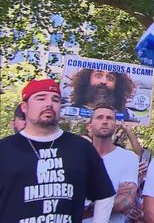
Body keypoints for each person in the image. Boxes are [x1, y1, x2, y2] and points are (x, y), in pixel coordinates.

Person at [0, 78, 115, 222]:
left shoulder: (81, 148)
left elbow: (104, 194)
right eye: (40, 98)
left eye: (55, 99)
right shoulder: (5, 149)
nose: (49, 104)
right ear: (24, 107)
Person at [83, 103, 139, 223]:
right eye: (99, 117)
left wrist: (80, 210)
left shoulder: (128, 158)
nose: (104, 121)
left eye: (109, 118)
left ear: (115, 126)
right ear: (89, 127)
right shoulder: (77, 157)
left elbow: (125, 202)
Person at [70, 69, 136, 121]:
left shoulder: (128, 116)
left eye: (110, 78)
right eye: (98, 76)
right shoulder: (70, 111)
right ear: (87, 80)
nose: (104, 81)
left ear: (117, 85)